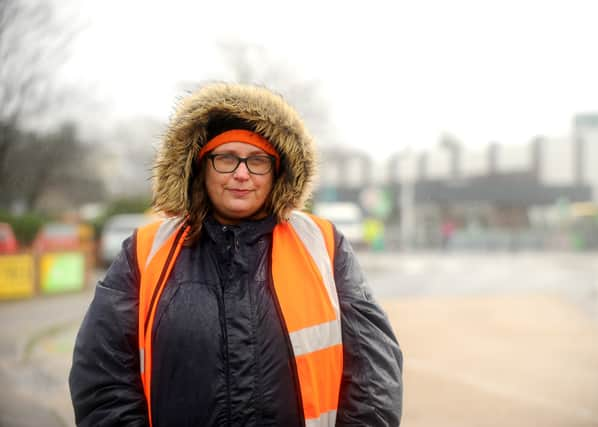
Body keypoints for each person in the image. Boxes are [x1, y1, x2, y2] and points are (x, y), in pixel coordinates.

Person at [69, 82, 403, 426]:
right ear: (201, 167)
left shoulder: (323, 245)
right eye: (226, 158)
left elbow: (374, 375)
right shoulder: (145, 251)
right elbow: (102, 377)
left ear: (277, 172)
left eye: (257, 160)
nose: (242, 174)